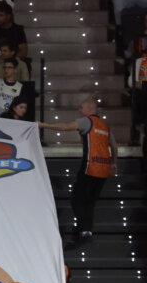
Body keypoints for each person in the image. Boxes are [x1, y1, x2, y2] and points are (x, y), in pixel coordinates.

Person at [38, 98, 117, 249]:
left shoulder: (87, 121)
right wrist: (114, 162)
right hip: (103, 169)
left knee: (77, 201)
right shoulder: (105, 126)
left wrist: (43, 125)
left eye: (81, 108)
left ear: (89, 109)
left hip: (90, 167)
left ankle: (84, 230)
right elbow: (113, 145)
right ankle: (85, 231)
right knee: (90, 202)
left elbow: (66, 127)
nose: (79, 111)